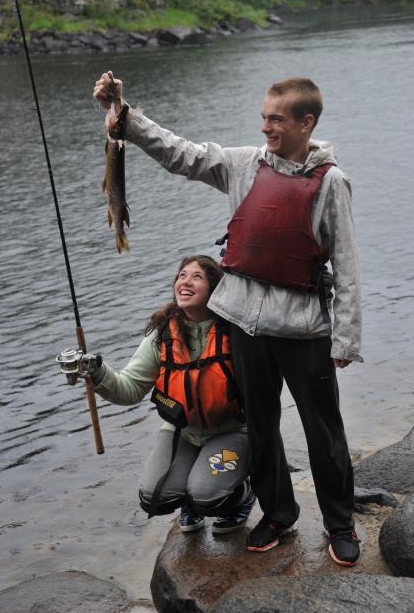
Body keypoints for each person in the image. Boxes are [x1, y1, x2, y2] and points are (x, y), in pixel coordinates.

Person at [93, 73, 363, 566]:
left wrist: (344, 339)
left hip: (304, 330)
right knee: (261, 427)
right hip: (243, 323)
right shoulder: (243, 165)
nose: (265, 128)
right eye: (263, 117)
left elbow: (345, 265)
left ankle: (340, 523)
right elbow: (182, 154)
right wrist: (125, 116)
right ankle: (278, 514)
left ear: (307, 123)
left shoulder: (331, 183)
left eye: (276, 120)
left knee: (323, 431)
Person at [62, 255, 254, 533]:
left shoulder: (233, 330)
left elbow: (266, 382)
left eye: (197, 277)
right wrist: (97, 372)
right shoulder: (162, 334)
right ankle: (190, 501)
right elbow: (129, 390)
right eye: (181, 275)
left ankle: (242, 495)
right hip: (183, 431)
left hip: (232, 430)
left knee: (209, 495)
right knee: (153, 496)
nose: (185, 282)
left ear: (214, 288)